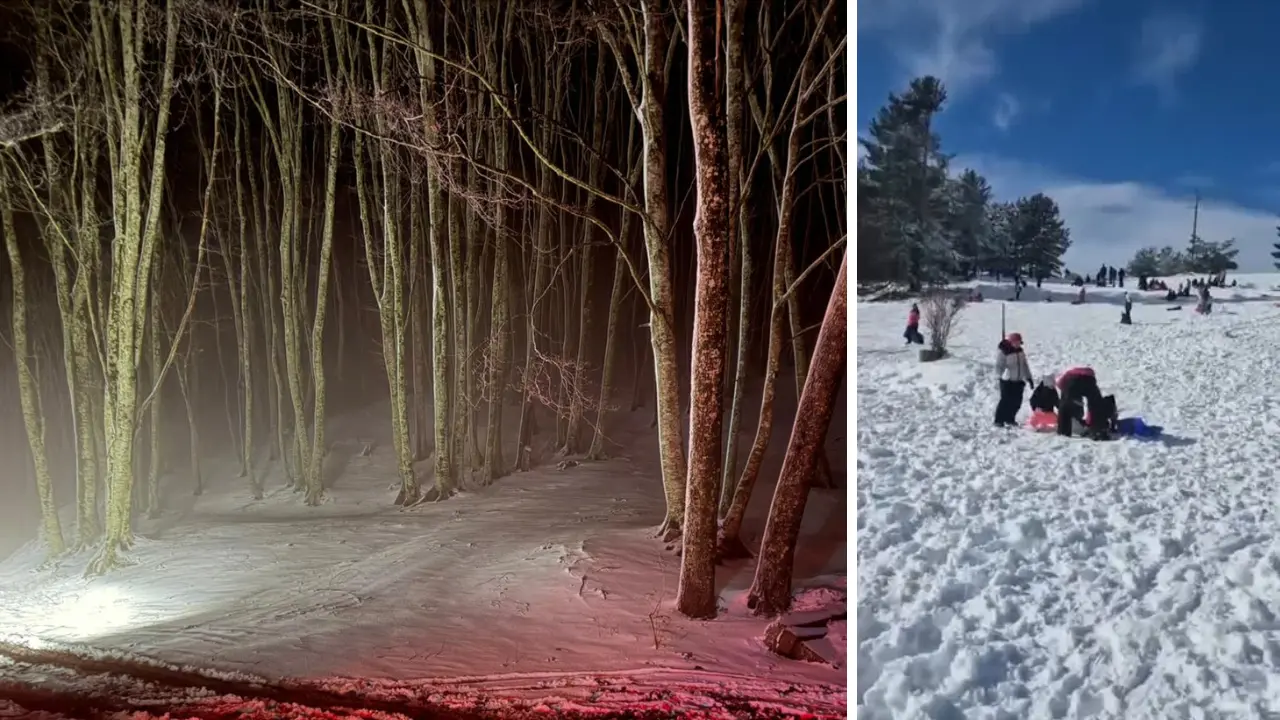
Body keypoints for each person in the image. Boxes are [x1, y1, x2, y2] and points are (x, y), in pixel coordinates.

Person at [1055, 367, 1113, 439]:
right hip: (1089, 380)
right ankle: (1098, 431)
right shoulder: (1077, 370)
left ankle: (1063, 431)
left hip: (1072, 381)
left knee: (1065, 406)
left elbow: (1061, 386)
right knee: (1096, 405)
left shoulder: (1063, 378)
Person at [994, 333, 1034, 427]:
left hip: (1019, 380)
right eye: (1016, 342)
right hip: (1007, 380)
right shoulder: (1004, 352)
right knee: (1005, 401)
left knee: (1016, 402)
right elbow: (999, 366)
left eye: (1019, 342)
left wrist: (1029, 377)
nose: (1018, 344)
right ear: (1011, 342)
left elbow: (1024, 365)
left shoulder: (1020, 351)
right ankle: (998, 420)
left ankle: (1010, 419)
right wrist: (1002, 376)